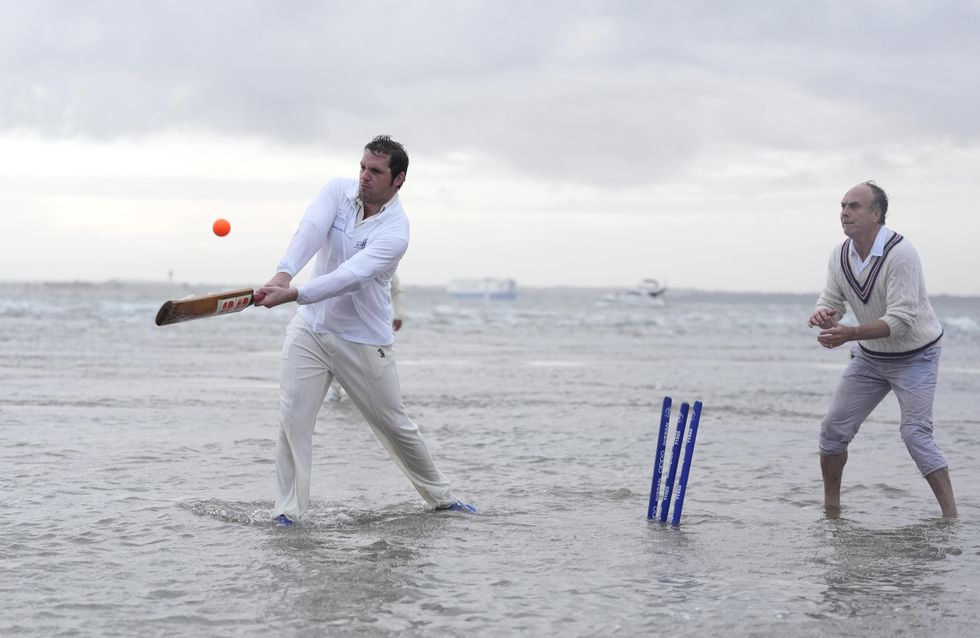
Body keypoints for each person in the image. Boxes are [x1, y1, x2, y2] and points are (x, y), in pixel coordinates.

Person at [254, 135, 475, 526]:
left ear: (398, 179)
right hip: (310, 330)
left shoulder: (396, 232)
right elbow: (310, 231)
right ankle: (287, 513)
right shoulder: (337, 192)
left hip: (363, 341)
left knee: (395, 425)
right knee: (292, 419)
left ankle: (442, 498)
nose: (364, 177)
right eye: (362, 167)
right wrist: (284, 271)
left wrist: (292, 293)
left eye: (375, 171)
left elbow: (350, 277)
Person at [807, 181, 956, 518]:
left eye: (854, 206)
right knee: (833, 429)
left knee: (915, 435)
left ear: (876, 214)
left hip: (917, 356)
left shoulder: (901, 253)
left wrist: (850, 334)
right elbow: (833, 300)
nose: (845, 212)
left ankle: (951, 517)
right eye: (843, 206)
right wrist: (824, 314)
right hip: (871, 358)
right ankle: (832, 511)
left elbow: (902, 319)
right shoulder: (840, 254)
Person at [324, 271, 402, 402]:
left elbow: (396, 288)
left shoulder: (381, 260)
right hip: (344, 322)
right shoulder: (342, 263)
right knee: (338, 355)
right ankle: (335, 391)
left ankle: (380, 393)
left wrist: (399, 314)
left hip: (375, 324)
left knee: (377, 359)